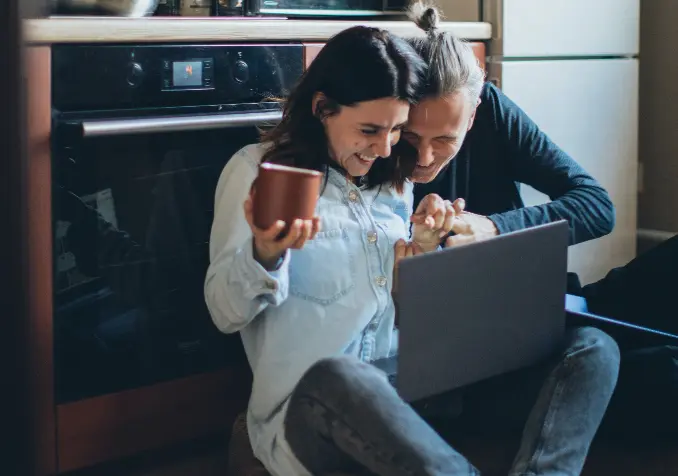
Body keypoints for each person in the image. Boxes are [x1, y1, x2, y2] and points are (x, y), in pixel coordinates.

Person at [206, 22, 620, 476]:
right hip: (314, 408)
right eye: (371, 129)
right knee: (341, 377)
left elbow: (389, 325)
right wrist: (264, 254)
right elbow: (226, 314)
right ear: (323, 108)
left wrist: (415, 285)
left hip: (410, 396)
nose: (386, 149)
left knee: (592, 348)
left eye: (395, 131)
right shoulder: (256, 172)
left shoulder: (393, 187)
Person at [402, 2, 678, 439]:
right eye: (410, 137)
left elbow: (596, 206)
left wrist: (493, 228)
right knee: (663, 371)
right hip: (485, 355)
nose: (423, 158)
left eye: (445, 140)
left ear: (472, 115)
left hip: (555, 309)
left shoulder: (490, 109)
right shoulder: (373, 142)